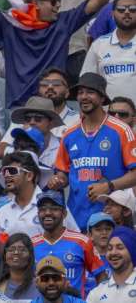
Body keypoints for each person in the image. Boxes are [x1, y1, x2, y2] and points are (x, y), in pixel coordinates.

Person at [52, 72, 136, 228]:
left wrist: (109, 186)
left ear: (102, 98)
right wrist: (59, 180)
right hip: (76, 219)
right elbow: (63, 172)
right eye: (80, 92)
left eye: (90, 92)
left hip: (112, 221)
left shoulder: (122, 130)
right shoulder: (69, 134)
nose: (84, 97)